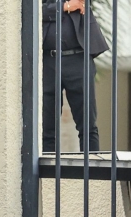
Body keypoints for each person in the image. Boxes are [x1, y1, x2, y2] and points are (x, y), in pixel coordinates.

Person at [42, 0, 109, 153]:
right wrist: (64, 7)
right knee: (46, 126)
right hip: (47, 61)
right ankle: (48, 171)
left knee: (87, 124)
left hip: (78, 59)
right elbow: (34, 11)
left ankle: (91, 170)